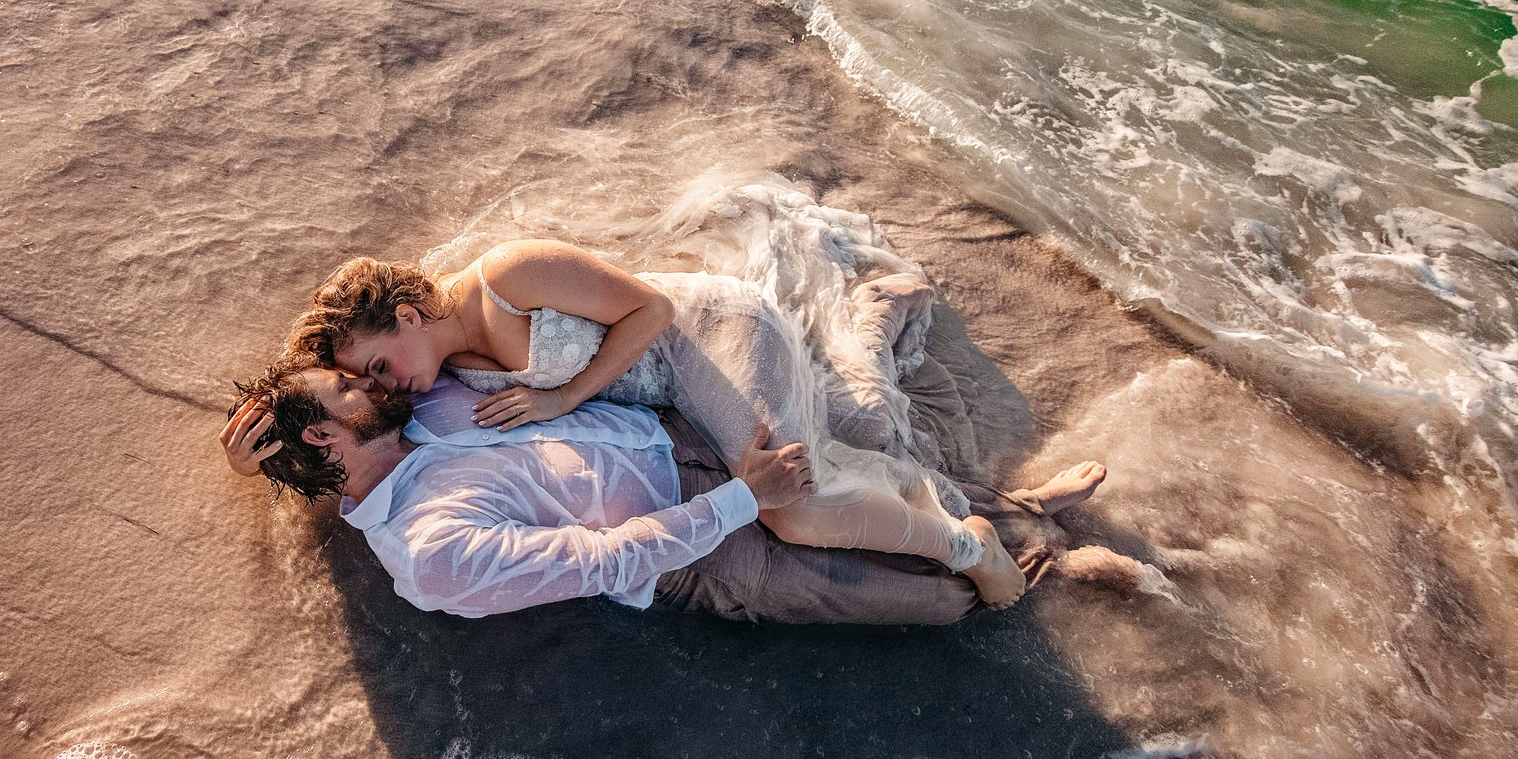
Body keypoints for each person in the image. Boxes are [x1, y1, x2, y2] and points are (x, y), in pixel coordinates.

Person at [251, 241, 1105, 607]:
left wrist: (562, 397)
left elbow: (653, 308)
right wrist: (256, 442)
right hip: (666, 401)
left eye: (375, 369)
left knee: (799, 504)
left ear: (407, 311)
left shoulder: (507, 274)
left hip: (705, 340)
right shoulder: (441, 378)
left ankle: (975, 545)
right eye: (364, 383)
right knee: (853, 447)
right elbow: (326, 431)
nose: (381, 388)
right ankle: (886, 345)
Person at [224, 366, 1049, 624]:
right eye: (342, 386)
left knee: (870, 464)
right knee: (931, 604)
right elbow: (604, 557)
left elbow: (377, 315)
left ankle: (1014, 506)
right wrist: (742, 500)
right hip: (711, 550)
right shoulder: (427, 552)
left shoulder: (417, 404)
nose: (362, 377)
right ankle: (1027, 569)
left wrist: (241, 454)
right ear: (326, 441)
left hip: (682, 428)